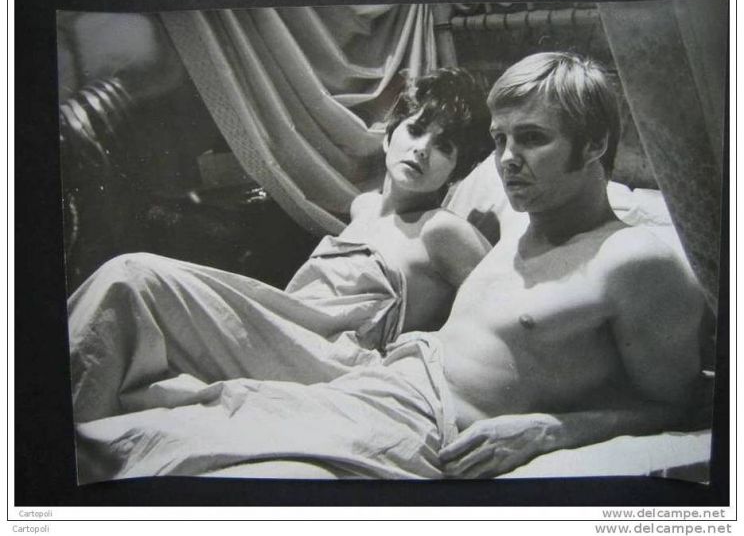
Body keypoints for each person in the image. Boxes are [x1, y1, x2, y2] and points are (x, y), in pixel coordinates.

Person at [74, 52, 708, 482]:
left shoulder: (636, 258)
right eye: (499, 139)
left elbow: (679, 403)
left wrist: (549, 430)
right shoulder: (521, 223)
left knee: (207, 468)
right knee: (157, 432)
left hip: (425, 423)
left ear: (594, 145)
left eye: (533, 138)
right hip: (387, 379)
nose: (508, 159)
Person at [67, 67, 494, 424]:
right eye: (416, 130)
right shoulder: (362, 207)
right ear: (388, 137)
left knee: (133, 278)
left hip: (330, 362)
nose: (422, 150)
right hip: (288, 332)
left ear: (456, 172)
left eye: (444, 146)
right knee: (135, 325)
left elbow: (505, 309)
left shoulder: (441, 230)